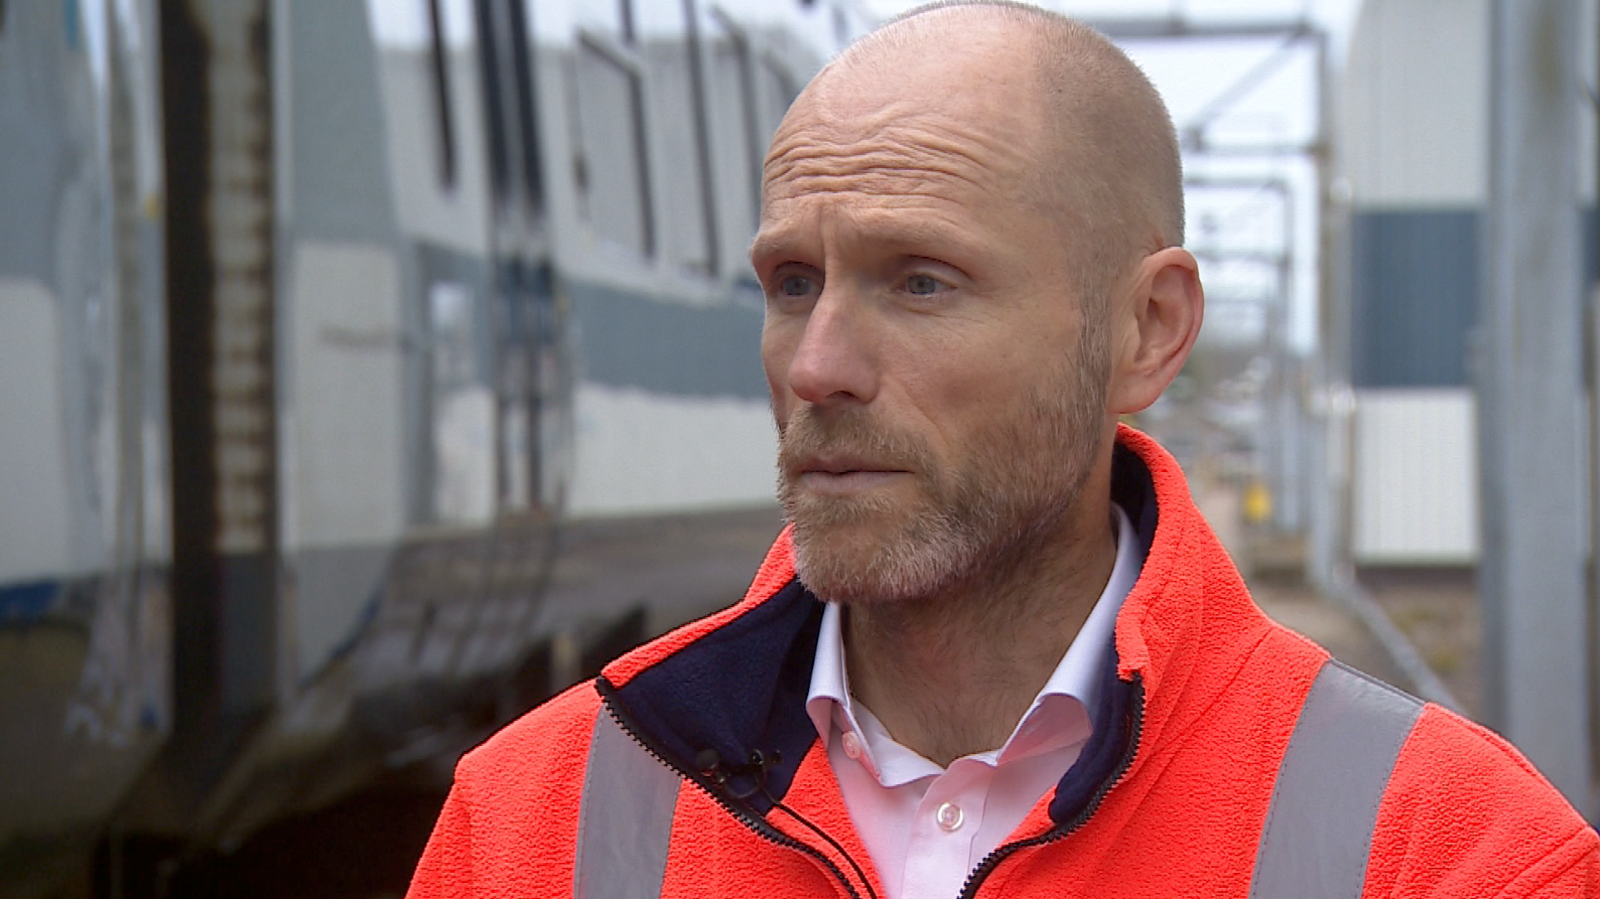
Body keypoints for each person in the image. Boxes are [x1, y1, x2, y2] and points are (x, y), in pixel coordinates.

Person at [405, 3, 1599, 896]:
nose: (815, 363)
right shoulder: (529, 818)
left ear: (1148, 329)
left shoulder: (1456, 850)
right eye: (790, 281)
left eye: (920, 281)